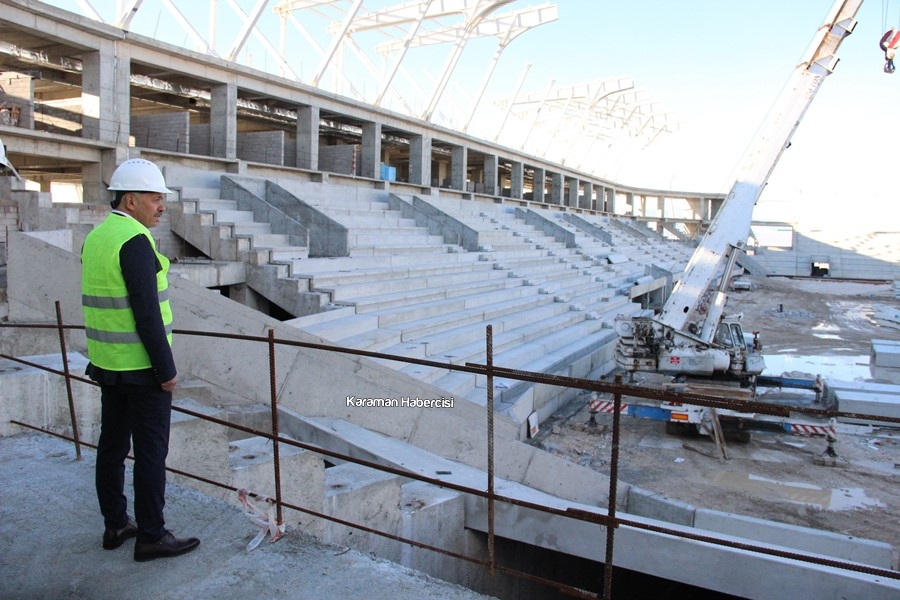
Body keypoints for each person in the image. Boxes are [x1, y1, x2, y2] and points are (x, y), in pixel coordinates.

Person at [81, 158, 200, 562]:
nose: (161, 206)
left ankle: (115, 525)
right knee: (151, 453)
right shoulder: (133, 241)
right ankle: (152, 534)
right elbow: (146, 313)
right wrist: (165, 370)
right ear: (131, 200)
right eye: (155, 198)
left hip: (107, 364)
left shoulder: (97, 238)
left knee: (111, 447)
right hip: (141, 370)